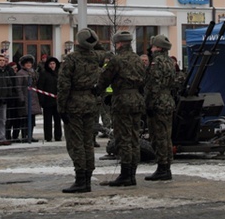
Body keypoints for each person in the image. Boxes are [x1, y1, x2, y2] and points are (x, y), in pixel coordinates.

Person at [57, 28, 102, 193]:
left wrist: (61, 107)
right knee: (88, 142)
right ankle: (87, 177)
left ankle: (80, 179)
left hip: (74, 104)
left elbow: (63, 86)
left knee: (76, 143)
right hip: (90, 103)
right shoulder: (95, 57)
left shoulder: (71, 60)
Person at [98, 30, 146, 187]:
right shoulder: (138, 60)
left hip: (122, 101)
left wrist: (97, 92)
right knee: (134, 138)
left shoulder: (116, 60)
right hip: (137, 100)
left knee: (123, 138)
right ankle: (131, 173)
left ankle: (125, 174)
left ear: (118, 43)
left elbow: (104, 79)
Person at [144, 34, 176, 182]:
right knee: (166, 135)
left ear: (158, 47)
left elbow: (153, 84)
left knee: (158, 136)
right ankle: (166, 166)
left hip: (158, 102)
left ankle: (162, 167)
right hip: (168, 101)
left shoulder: (156, 62)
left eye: (153, 46)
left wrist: (149, 102)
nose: (151, 49)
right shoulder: (170, 61)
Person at [17, 55, 42, 143]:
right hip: (25, 97)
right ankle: (24, 136)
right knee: (25, 118)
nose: (28, 65)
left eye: (30, 63)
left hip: (33, 97)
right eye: (27, 63)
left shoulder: (33, 72)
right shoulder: (20, 73)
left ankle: (30, 135)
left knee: (32, 118)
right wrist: (21, 98)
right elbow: (18, 87)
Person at [37, 56, 62, 142]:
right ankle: (48, 136)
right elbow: (40, 87)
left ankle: (58, 136)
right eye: (50, 64)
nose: (52, 65)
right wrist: (42, 100)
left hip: (57, 101)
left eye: (53, 63)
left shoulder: (60, 73)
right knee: (47, 120)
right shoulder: (44, 74)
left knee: (58, 120)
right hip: (47, 101)